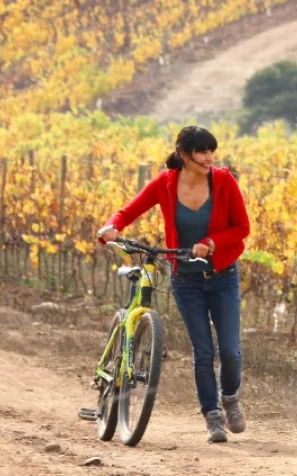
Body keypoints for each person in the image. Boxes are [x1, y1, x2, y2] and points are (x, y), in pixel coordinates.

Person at [96, 126, 251, 444]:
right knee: (203, 352)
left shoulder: (223, 181)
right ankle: (212, 416)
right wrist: (112, 226)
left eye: (211, 151)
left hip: (222, 278)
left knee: (231, 352)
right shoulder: (166, 183)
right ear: (184, 154)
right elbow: (131, 209)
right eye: (202, 151)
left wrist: (211, 242)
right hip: (186, 280)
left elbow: (241, 228)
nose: (210, 157)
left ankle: (230, 397)